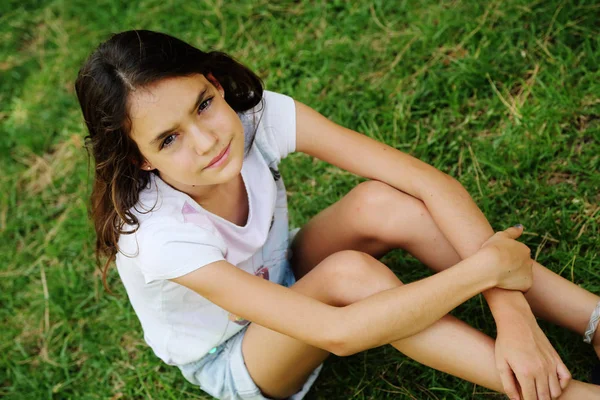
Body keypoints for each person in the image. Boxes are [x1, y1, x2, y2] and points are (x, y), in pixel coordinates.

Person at [75, 29, 600, 400]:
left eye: (203, 103)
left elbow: (424, 181)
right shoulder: (156, 234)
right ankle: (565, 394)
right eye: (169, 138)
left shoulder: (252, 115)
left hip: (282, 272)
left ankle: (594, 320)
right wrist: (484, 270)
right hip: (238, 356)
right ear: (141, 157)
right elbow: (338, 332)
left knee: (382, 201)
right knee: (349, 274)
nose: (207, 138)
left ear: (213, 81)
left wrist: (512, 315)